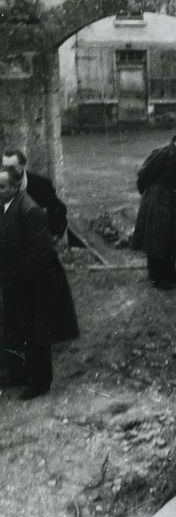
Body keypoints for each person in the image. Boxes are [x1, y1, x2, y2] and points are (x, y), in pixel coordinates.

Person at [0, 165, 79, 399]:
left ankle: (40, 382)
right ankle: (19, 374)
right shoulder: (7, 206)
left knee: (35, 332)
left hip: (33, 282)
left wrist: (16, 278)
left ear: (16, 186)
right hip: (16, 280)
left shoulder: (29, 210)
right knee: (15, 327)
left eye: (2, 186)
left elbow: (41, 252)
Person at [132, 130, 176, 290]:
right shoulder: (163, 152)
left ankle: (170, 273)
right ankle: (157, 276)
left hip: (172, 196)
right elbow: (143, 173)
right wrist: (151, 194)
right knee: (157, 235)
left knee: (172, 235)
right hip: (158, 196)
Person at [1, 149, 68, 238]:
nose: (8, 171)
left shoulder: (40, 184)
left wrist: (54, 234)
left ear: (22, 165)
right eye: (5, 167)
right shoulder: (1, 182)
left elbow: (58, 208)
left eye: (12, 168)